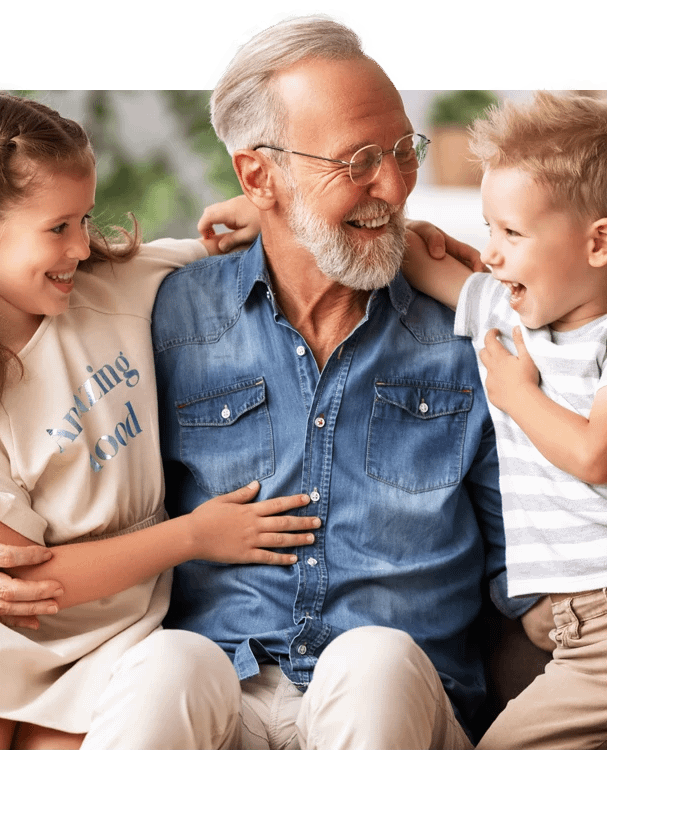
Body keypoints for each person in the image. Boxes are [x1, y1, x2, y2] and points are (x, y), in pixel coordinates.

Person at [146, 15, 544, 749]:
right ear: (258, 175)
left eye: (402, 151)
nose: (392, 188)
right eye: (358, 160)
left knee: (371, 659)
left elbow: (530, 554)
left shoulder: (467, 328)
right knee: (165, 665)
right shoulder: (170, 316)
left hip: (400, 698)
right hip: (224, 690)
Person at [0, 91, 323, 750]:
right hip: (19, 635)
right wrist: (195, 536)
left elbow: (229, 252)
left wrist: (263, 212)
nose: (82, 247)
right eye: (58, 227)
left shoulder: (118, 286)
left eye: (85, 219)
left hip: (120, 634)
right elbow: (29, 581)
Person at [403, 90, 606, 749]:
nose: (490, 254)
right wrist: (271, 213)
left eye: (511, 233)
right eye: (488, 228)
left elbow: (594, 455)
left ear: (597, 242)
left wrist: (517, 393)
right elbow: (412, 257)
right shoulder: (504, 311)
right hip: (556, 617)